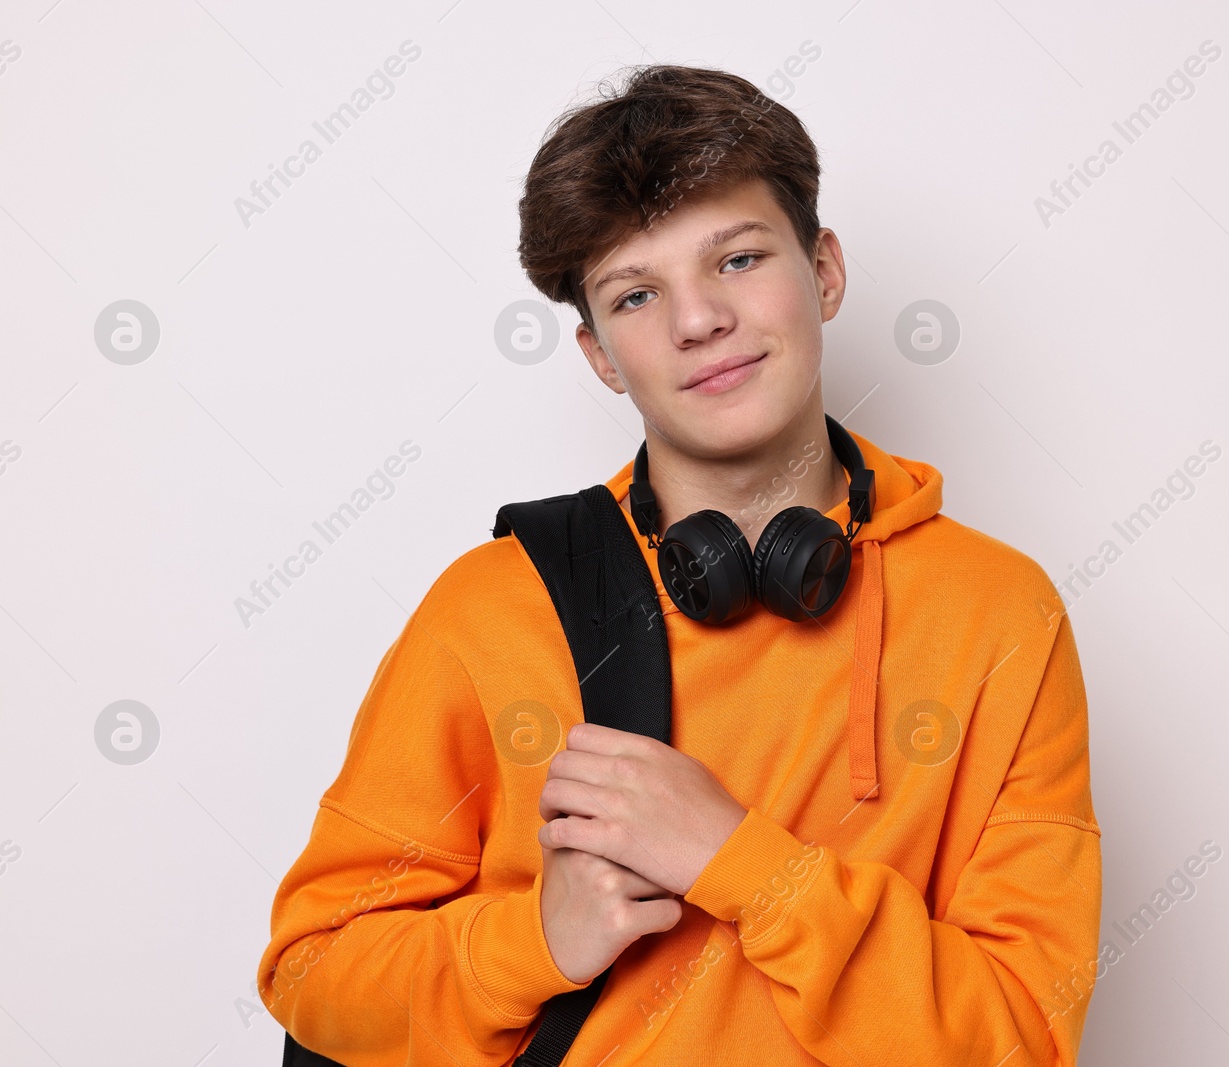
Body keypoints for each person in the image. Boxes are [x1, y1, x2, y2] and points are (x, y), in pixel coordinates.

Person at [258, 63, 1101, 1066]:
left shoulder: (1000, 614)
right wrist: (536, 940)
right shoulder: (495, 608)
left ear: (824, 271)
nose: (699, 320)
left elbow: (1020, 1040)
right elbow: (314, 974)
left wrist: (743, 862)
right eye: (638, 292)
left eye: (738, 259)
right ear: (601, 356)